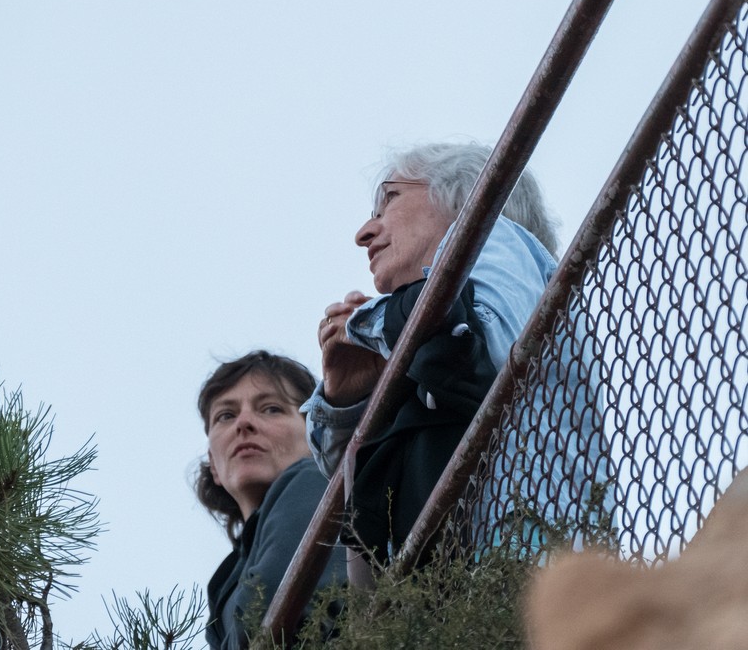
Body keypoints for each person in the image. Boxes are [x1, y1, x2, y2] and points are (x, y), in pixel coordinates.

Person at [303, 141, 613, 569]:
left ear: (465, 194)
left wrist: (369, 324)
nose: (364, 234)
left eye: (388, 200)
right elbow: (351, 485)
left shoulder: (498, 238)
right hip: (465, 589)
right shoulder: (411, 333)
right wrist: (347, 399)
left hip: (535, 558)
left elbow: (485, 347)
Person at [195, 351, 347, 649]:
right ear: (213, 463)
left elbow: (269, 606)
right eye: (226, 415)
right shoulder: (225, 579)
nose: (244, 423)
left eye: (271, 409)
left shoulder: (312, 481)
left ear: (312, 434)